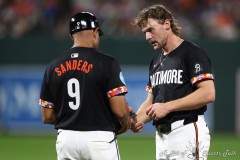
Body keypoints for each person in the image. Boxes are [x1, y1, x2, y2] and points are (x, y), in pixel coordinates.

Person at [39, 12, 131, 160]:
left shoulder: (53, 66)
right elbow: (120, 111)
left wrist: (74, 118)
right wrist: (126, 119)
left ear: (71, 36)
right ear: (95, 33)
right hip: (98, 138)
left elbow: (47, 116)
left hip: (66, 140)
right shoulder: (107, 62)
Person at [130, 4, 215, 160]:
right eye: (144, 32)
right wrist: (130, 122)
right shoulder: (155, 61)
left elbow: (208, 93)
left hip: (187, 130)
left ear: (167, 24)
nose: (147, 37)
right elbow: (151, 102)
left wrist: (167, 107)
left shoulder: (191, 53)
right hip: (162, 138)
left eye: (150, 29)